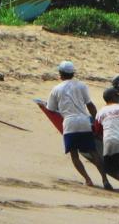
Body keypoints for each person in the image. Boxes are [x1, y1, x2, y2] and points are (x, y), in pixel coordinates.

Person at [47, 61, 112, 190]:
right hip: (84, 121)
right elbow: (90, 105)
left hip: (69, 123)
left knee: (74, 154)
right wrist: (97, 122)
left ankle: (88, 179)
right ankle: (105, 179)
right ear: (73, 73)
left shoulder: (56, 89)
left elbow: (51, 108)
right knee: (93, 152)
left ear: (60, 74)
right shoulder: (81, 85)